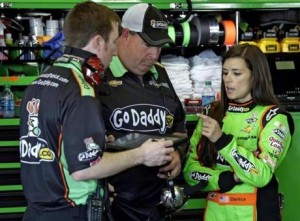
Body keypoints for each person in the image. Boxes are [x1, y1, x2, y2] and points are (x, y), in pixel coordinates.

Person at [19, 1, 175, 221]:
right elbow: (84, 169)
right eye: (113, 41)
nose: (114, 50)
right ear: (98, 42)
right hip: (72, 212)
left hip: (37, 211)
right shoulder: (81, 88)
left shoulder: (41, 82)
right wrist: (142, 155)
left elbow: (56, 149)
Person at [96, 3, 188, 221]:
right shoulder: (99, 77)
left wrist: (178, 156)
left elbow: (179, 128)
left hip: (158, 206)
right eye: (147, 44)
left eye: (159, 46)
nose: (154, 54)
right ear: (125, 35)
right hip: (115, 207)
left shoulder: (161, 76)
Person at [183, 43, 294, 221]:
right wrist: (226, 178)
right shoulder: (211, 112)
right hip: (215, 214)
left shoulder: (273, 117)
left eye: (236, 73)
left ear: (255, 76)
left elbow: (262, 175)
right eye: (225, 73)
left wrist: (221, 140)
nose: (228, 80)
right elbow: (190, 171)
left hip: (256, 213)